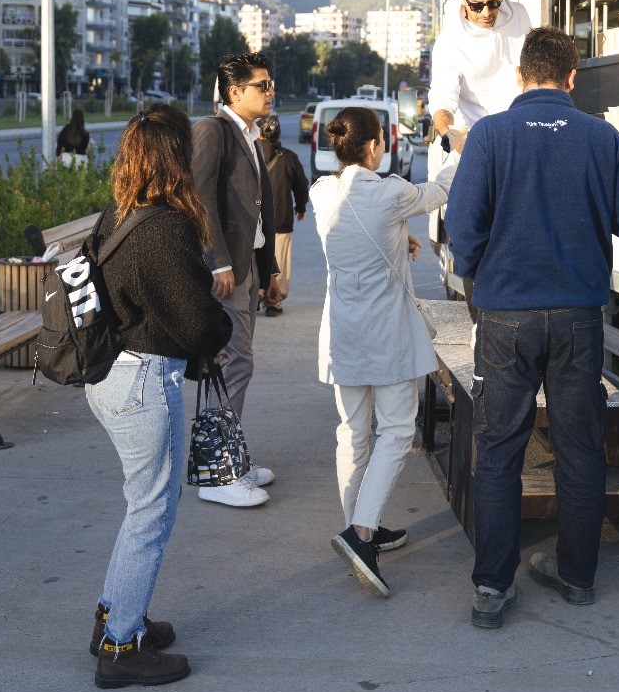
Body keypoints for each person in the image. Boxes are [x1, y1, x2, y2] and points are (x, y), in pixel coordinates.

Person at [446, 27, 619, 629]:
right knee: (580, 448)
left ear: (519, 75)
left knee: (501, 448)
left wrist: (482, 275)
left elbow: (462, 225)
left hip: (506, 318)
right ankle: (578, 576)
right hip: (578, 320)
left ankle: (491, 587)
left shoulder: (488, 135)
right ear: (571, 77)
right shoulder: (600, 136)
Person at [85, 102, 233, 690]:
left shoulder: (118, 214)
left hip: (115, 377)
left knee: (144, 507)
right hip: (144, 381)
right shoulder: (166, 228)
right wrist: (220, 334)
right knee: (151, 512)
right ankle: (121, 647)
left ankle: (113, 616)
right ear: (177, 158)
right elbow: (197, 319)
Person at [310, 107, 461, 598]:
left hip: (342, 334)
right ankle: (363, 533)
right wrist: (459, 150)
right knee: (396, 430)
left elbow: (357, 237)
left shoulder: (322, 193)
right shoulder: (392, 192)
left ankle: (357, 522)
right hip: (387, 334)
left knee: (352, 431)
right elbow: (439, 192)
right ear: (375, 147)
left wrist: (400, 239)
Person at [190, 51, 279, 508]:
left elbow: (256, 211)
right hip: (225, 272)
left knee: (236, 364)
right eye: (261, 85)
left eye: (269, 83)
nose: (270, 92)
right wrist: (217, 262)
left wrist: (270, 272)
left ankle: (232, 459)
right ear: (233, 92)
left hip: (245, 270)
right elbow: (199, 199)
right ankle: (217, 473)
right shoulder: (213, 131)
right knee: (233, 365)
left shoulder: (251, 135)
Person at [427, 0, 532, 148]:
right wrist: (448, 134)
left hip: (519, 135)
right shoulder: (450, 40)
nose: (486, 13)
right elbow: (443, 97)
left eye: (493, 3)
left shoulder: (520, 15)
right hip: (474, 139)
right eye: (476, 5)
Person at [257, 115, 308, 317]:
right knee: (280, 259)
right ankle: (274, 301)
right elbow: (301, 185)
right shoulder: (289, 157)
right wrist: (301, 206)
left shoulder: (250, 154)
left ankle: (256, 296)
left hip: (254, 220)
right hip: (281, 219)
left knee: (255, 258)